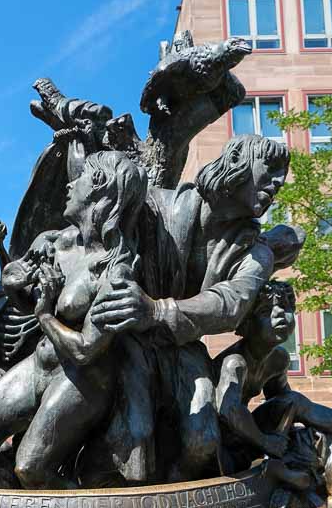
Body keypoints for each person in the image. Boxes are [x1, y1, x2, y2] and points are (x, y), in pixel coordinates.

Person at [84, 134, 296, 485]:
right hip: (125, 341)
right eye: (269, 169)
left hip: (180, 346)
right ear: (238, 165)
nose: (276, 183)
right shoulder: (155, 207)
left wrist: (156, 310)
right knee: (132, 440)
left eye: (282, 177)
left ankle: (177, 506)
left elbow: (232, 303)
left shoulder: (256, 253)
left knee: (204, 441)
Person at [0, 151, 148, 489]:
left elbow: (87, 350)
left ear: (99, 189)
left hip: (84, 380)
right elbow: (19, 287)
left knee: (30, 468)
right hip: (41, 364)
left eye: (81, 177)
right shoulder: (54, 243)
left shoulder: (115, 270)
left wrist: (43, 313)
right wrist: (16, 283)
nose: (70, 184)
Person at [214, 279, 332, 475]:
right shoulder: (234, 363)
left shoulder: (278, 359)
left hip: (249, 434)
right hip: (222, 443)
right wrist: (266, 442)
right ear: (246, 324)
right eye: (265, 312)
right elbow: (228, 410)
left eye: (286, 308)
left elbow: (282, 400)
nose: (279, 314)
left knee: (293, 402)